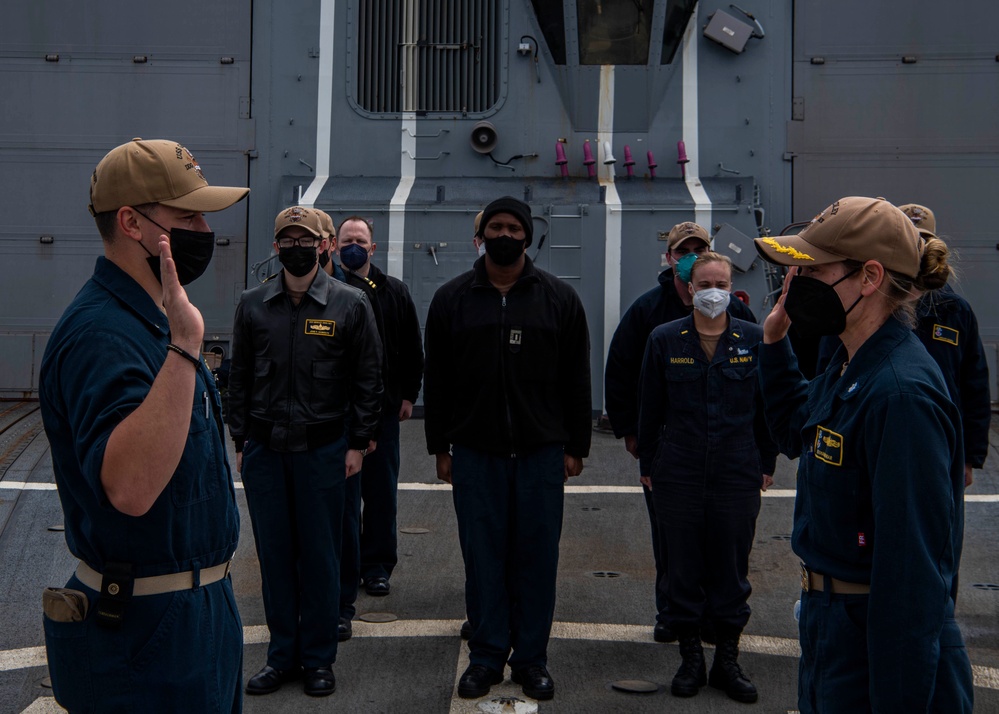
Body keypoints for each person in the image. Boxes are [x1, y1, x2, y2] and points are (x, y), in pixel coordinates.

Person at [38, 138, 249, 712]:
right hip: (145, 632)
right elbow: (131, 488)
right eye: (187, 215)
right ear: (131, 222)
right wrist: (186, 348)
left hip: (197, 613)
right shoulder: (103, 335)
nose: (204, 229)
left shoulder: (151, 317)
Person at [754, 196, 973, 713]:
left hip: (873, 637)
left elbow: (911, 575)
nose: (796, 282)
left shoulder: (900, 393)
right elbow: (795, 432)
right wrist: (773, 342)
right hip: (834, 627)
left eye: (813, 270)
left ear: (870, 277)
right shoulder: (851, 362)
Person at [424, 196, 591, 702]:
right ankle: (487, 656)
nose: (505, 234)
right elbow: (440, 380)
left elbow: (576, 378)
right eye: (495, 226)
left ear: (527, 236)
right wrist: (440, 447)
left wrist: (575, 445)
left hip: (542, 454)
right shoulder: (451, 299)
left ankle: (532, 660)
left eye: (513, 227)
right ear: (481, 236)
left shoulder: (559, 299)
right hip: (475, 452)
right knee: (483, 557)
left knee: (536, 558)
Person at [228, 206, 383, 698]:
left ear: (324, 245)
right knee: (274, 558)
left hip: (324, 451)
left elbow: (368, 379)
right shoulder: (253, 305)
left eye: (305, 239)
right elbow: (240, 378)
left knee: (319, 557)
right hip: (267, 451)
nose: (296, 247)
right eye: (286, 240)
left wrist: (358, 442)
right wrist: (240, 439)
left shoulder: (351, 303)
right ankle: (281, 656)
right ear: (276, 248)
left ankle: (318, 659)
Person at [604, 221, 756, 644]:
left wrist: (763, 454)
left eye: (699, 248)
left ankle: (716, 621)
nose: (690, 255)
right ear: (670, 258)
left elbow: (762, 385)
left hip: (727, 451)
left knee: (725, 542)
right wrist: (633, 434)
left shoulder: (740, 315)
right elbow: (621, 372)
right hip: (674, 451)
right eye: (683, 250)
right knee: (672, 540)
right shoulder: (648, 312)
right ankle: (673, 615)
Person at [637, 252, 776, 703]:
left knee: (732, 569)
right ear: (690, 288)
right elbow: (650, 409)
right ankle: (691, 659)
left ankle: (727, 661)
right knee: (683, 568)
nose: (713, 290)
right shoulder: (664, 339)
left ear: (731, 288)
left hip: (737, 469)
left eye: (721, 281)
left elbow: (766, 410)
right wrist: (649, 467)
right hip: (678, 470)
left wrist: (766, 462)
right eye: (704, 282)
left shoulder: (755, 339)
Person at [336, 215, 424, 641]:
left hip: (384, 410)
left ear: (373, 248)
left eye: (360, 240)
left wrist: (408, 394)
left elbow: (411, 347)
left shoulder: (394, 292)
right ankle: (347, 567)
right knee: (342, 496)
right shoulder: (325, 288)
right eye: (346, 239)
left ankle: (377, 568)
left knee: (380, 491)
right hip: (337, 412)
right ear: (335, 246)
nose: (353, 245)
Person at [898, 204, 990, 487]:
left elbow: (974, 385)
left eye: (923, 240)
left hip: (943, 441)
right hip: (892, 432)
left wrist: (970, 457)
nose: (918, 248)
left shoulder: (955, 311)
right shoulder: (875, 303)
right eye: (910, 239)